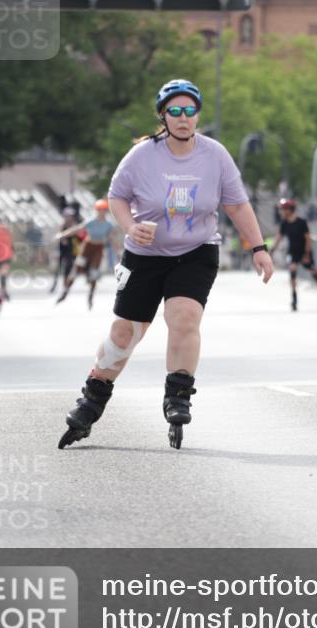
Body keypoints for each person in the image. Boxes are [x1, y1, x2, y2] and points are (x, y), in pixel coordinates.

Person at [58, 78, 273, 450]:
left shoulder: (215, 155)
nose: (183, 118)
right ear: (163, 116)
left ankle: (178, 395)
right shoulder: (143, 155)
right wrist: (130, 226)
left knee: (184, 316)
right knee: (125, 333)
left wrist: (259, 247)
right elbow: (117, 196)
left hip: (196, 251)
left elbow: (237, 204)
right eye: (175, 111)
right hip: (145, 255)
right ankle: (91, 401)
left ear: (197, 115)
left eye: (190, 110)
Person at [269, 198, 317, 312]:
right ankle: (294, 298)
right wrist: (271, 252)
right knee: (292, 271)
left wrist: (307, 254)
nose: (281, 212)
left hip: (304, 251)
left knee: (315, 273)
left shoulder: (301, 222)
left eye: (283, 210)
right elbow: (278, 238)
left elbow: (308, 239)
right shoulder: (284, 224)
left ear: (290, 210)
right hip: (293, 252)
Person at [55, 199, 117, 309]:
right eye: (99, 209)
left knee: (94, 273)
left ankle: (90, 297)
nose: (101, 212)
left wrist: (117, 249)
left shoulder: (109, 224)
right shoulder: (91, 221)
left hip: (98, 249)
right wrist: (63, 234)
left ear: (106, 211)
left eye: (103, 210)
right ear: (96, 210)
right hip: (87, 248)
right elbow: (77, 229)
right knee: (76, 269)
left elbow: (111, 237)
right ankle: (65, 292)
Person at [49, 206, 83, 296]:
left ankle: (65, 285)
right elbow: (60, 238)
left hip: (72, 250)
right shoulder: (63, 226)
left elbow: (79, 238)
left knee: (68, 267)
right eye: (67, 216)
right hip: (63, 249)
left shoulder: (75, 225)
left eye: (70, 216)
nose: (69, 217)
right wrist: (63, 239)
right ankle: (55, 284)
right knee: (58, 268)